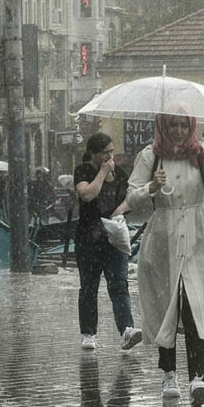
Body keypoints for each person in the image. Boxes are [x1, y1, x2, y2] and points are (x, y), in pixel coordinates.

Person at [124, 109, 204, 406]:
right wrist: (152, 187)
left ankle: (199, 376)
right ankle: (169, 372)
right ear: (163, 125)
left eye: (184, 124)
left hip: (197, 233)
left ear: (191, 126)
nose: (178, 130)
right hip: (164, 236)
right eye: (172, 124)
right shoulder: (150, 155)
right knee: (165, 304)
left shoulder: (200, 153)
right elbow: (132, 196)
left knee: (196, 304)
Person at [73, 133, 143, 352]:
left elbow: (129, 201)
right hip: (88, 238)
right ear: (94, 154)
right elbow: (87, 195)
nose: (110, 156)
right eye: (105, 152)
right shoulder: (83, 171)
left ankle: (126, 329)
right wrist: (102, 173)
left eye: (112, 151)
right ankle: (88, 333)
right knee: (89, 286)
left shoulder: (120, 174)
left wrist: (119, 213)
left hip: (114, 239)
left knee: (119, 284)